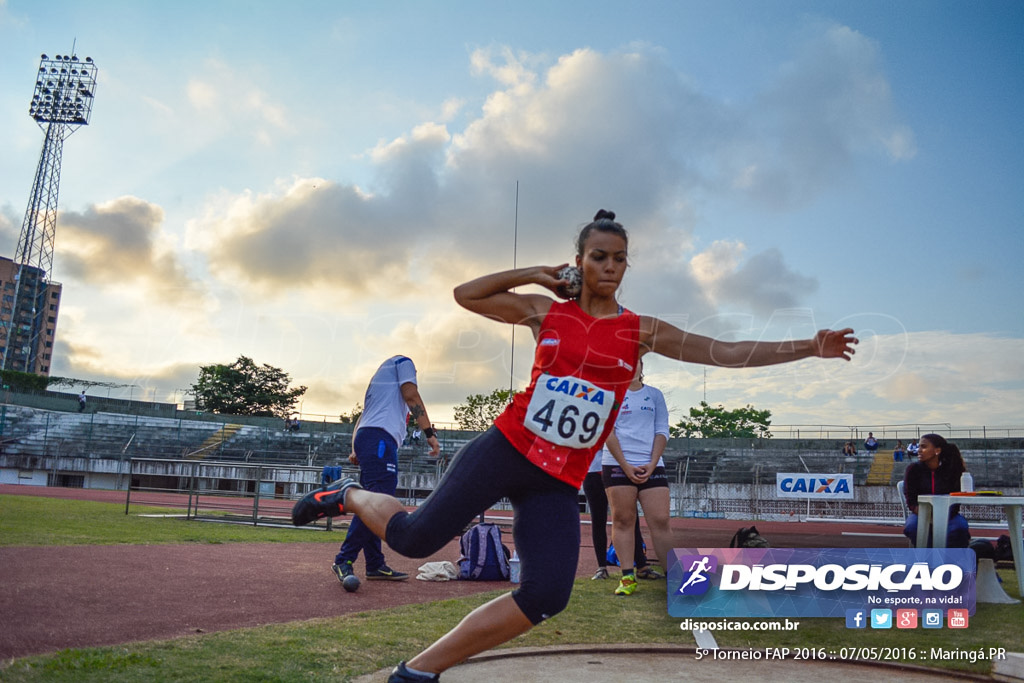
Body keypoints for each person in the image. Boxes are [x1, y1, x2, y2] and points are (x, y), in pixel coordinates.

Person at [292, 209, 858, 683]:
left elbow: (725, 351)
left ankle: (417, 671)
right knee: (415, 540)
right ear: (580, 260)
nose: (609, 266)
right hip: (506, 448)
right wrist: (539, 275)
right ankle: (348, 495)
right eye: (599, 256)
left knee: (546, 595)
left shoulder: (640, 330)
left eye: (619, 258)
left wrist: (809, 346)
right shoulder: (547, 312)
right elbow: (467, 294)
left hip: (558, 479)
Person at [331, 356, 440, 584]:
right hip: (379, 439)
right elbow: (411, 395)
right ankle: (344, 559)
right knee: (377, 504)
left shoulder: (380, 383)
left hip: (371, 438)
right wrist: (429, 433)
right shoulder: (404, 362)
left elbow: (361, 418)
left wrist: (355, 448)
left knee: (374, 501)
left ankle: (375, 564)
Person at [601, 360, 674, 596]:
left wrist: (652, 464)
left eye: (636, 362)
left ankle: (674, 577)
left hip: (651, 463)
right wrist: (625, 464)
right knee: (623, 519)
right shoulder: (610, 394)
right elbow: (607, 432)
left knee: (660, 520)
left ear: (643, 366)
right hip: (617, 464)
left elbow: (662, 429)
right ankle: (627, 578)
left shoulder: (654, 395)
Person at [581, 451, 652, 581]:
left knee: (630, 518)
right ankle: (602, 567)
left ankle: (642, 566)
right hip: (594, 472)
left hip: (620, 470)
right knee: (598, 519)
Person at [901, 433, 970, 548]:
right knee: (913, 527)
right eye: (919, 446)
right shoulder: (913, 470)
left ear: (937, 451)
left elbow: (956, 500)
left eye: (923, 447)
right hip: (920, 514)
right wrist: (927, 515)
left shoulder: (951, 470)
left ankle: (950, 561)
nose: (919, 450)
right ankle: (929, 560)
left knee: (960, 528)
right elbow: (911, 500)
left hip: (949, 515)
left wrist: (941, 516)